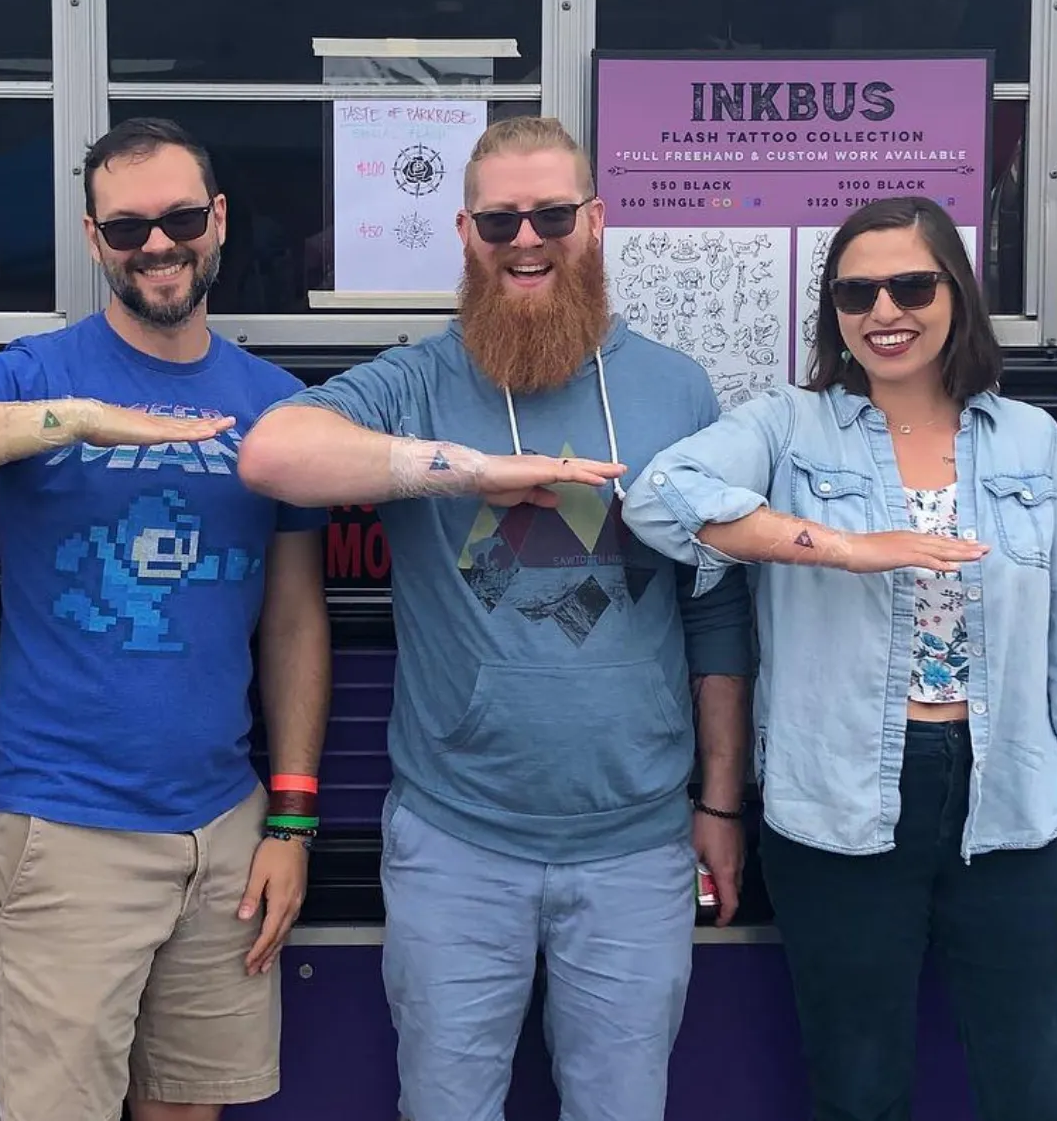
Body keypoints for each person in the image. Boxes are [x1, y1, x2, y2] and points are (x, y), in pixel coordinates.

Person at [237, 115, 754, 1121]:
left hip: (637, 845)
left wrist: (722, 805)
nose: (527, 238)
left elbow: (717, 608)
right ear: (466, 234)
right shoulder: (421, 378)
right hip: (454, 844)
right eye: (499, 218)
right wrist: (465, 471)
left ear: (595, 221)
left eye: (552, 213)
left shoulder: (675, 387)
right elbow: (271, 453)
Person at [0, 117, 332, 1121]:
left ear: (218, 220)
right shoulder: (33, 373)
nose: (158, 244)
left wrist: (290, 815)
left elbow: (293, 622)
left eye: (181, 217)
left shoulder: (274, 403)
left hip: (224, 831)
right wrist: (78, 419)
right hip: (62, 837)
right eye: (127, 226)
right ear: (94, 238)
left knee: (189, 1109)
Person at [623, 195, 1057, 1121]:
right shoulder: (787, 426)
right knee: (858, 1090)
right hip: (837, 800)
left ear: (956, 294)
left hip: (1011, 801)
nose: (883, 312)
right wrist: (838, 544)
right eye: (855, 293)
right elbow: (656, 499)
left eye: (909, 285)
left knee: (1040, 1087)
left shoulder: (1028, 442)